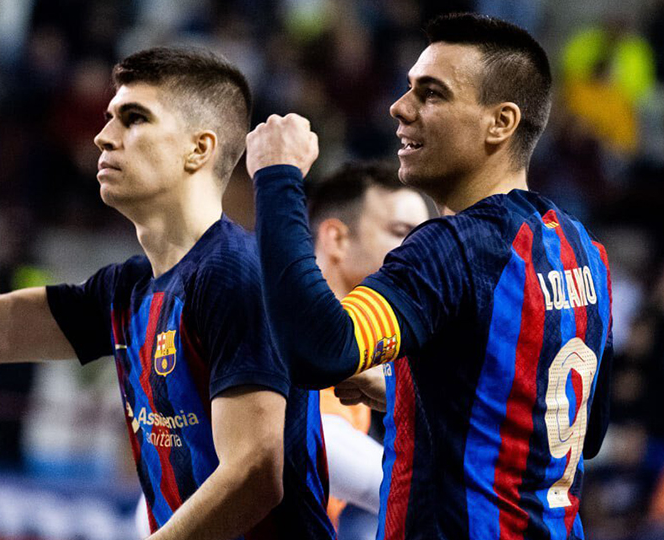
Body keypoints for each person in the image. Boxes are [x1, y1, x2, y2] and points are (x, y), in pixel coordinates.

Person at [0, 47, 333, 539]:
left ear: (198, 149)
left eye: (133, 118)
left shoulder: (235, 273)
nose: (103, 136)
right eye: (110, 117)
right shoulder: (125, 289)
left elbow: (256, 471)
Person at [246, 13, 613, 540]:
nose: (400, 107)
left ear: (500, 122)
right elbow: (582, 430)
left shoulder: (454, 246)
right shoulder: (583, 250)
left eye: (432, 93)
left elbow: (318, 349)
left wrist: (278, 177)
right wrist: (406, 391)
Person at [305, 161, 429, 529]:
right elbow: (318, 440)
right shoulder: (285, 326)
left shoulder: (367, 343)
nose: (422, 252)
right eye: (401, 232)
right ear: (336, 239)